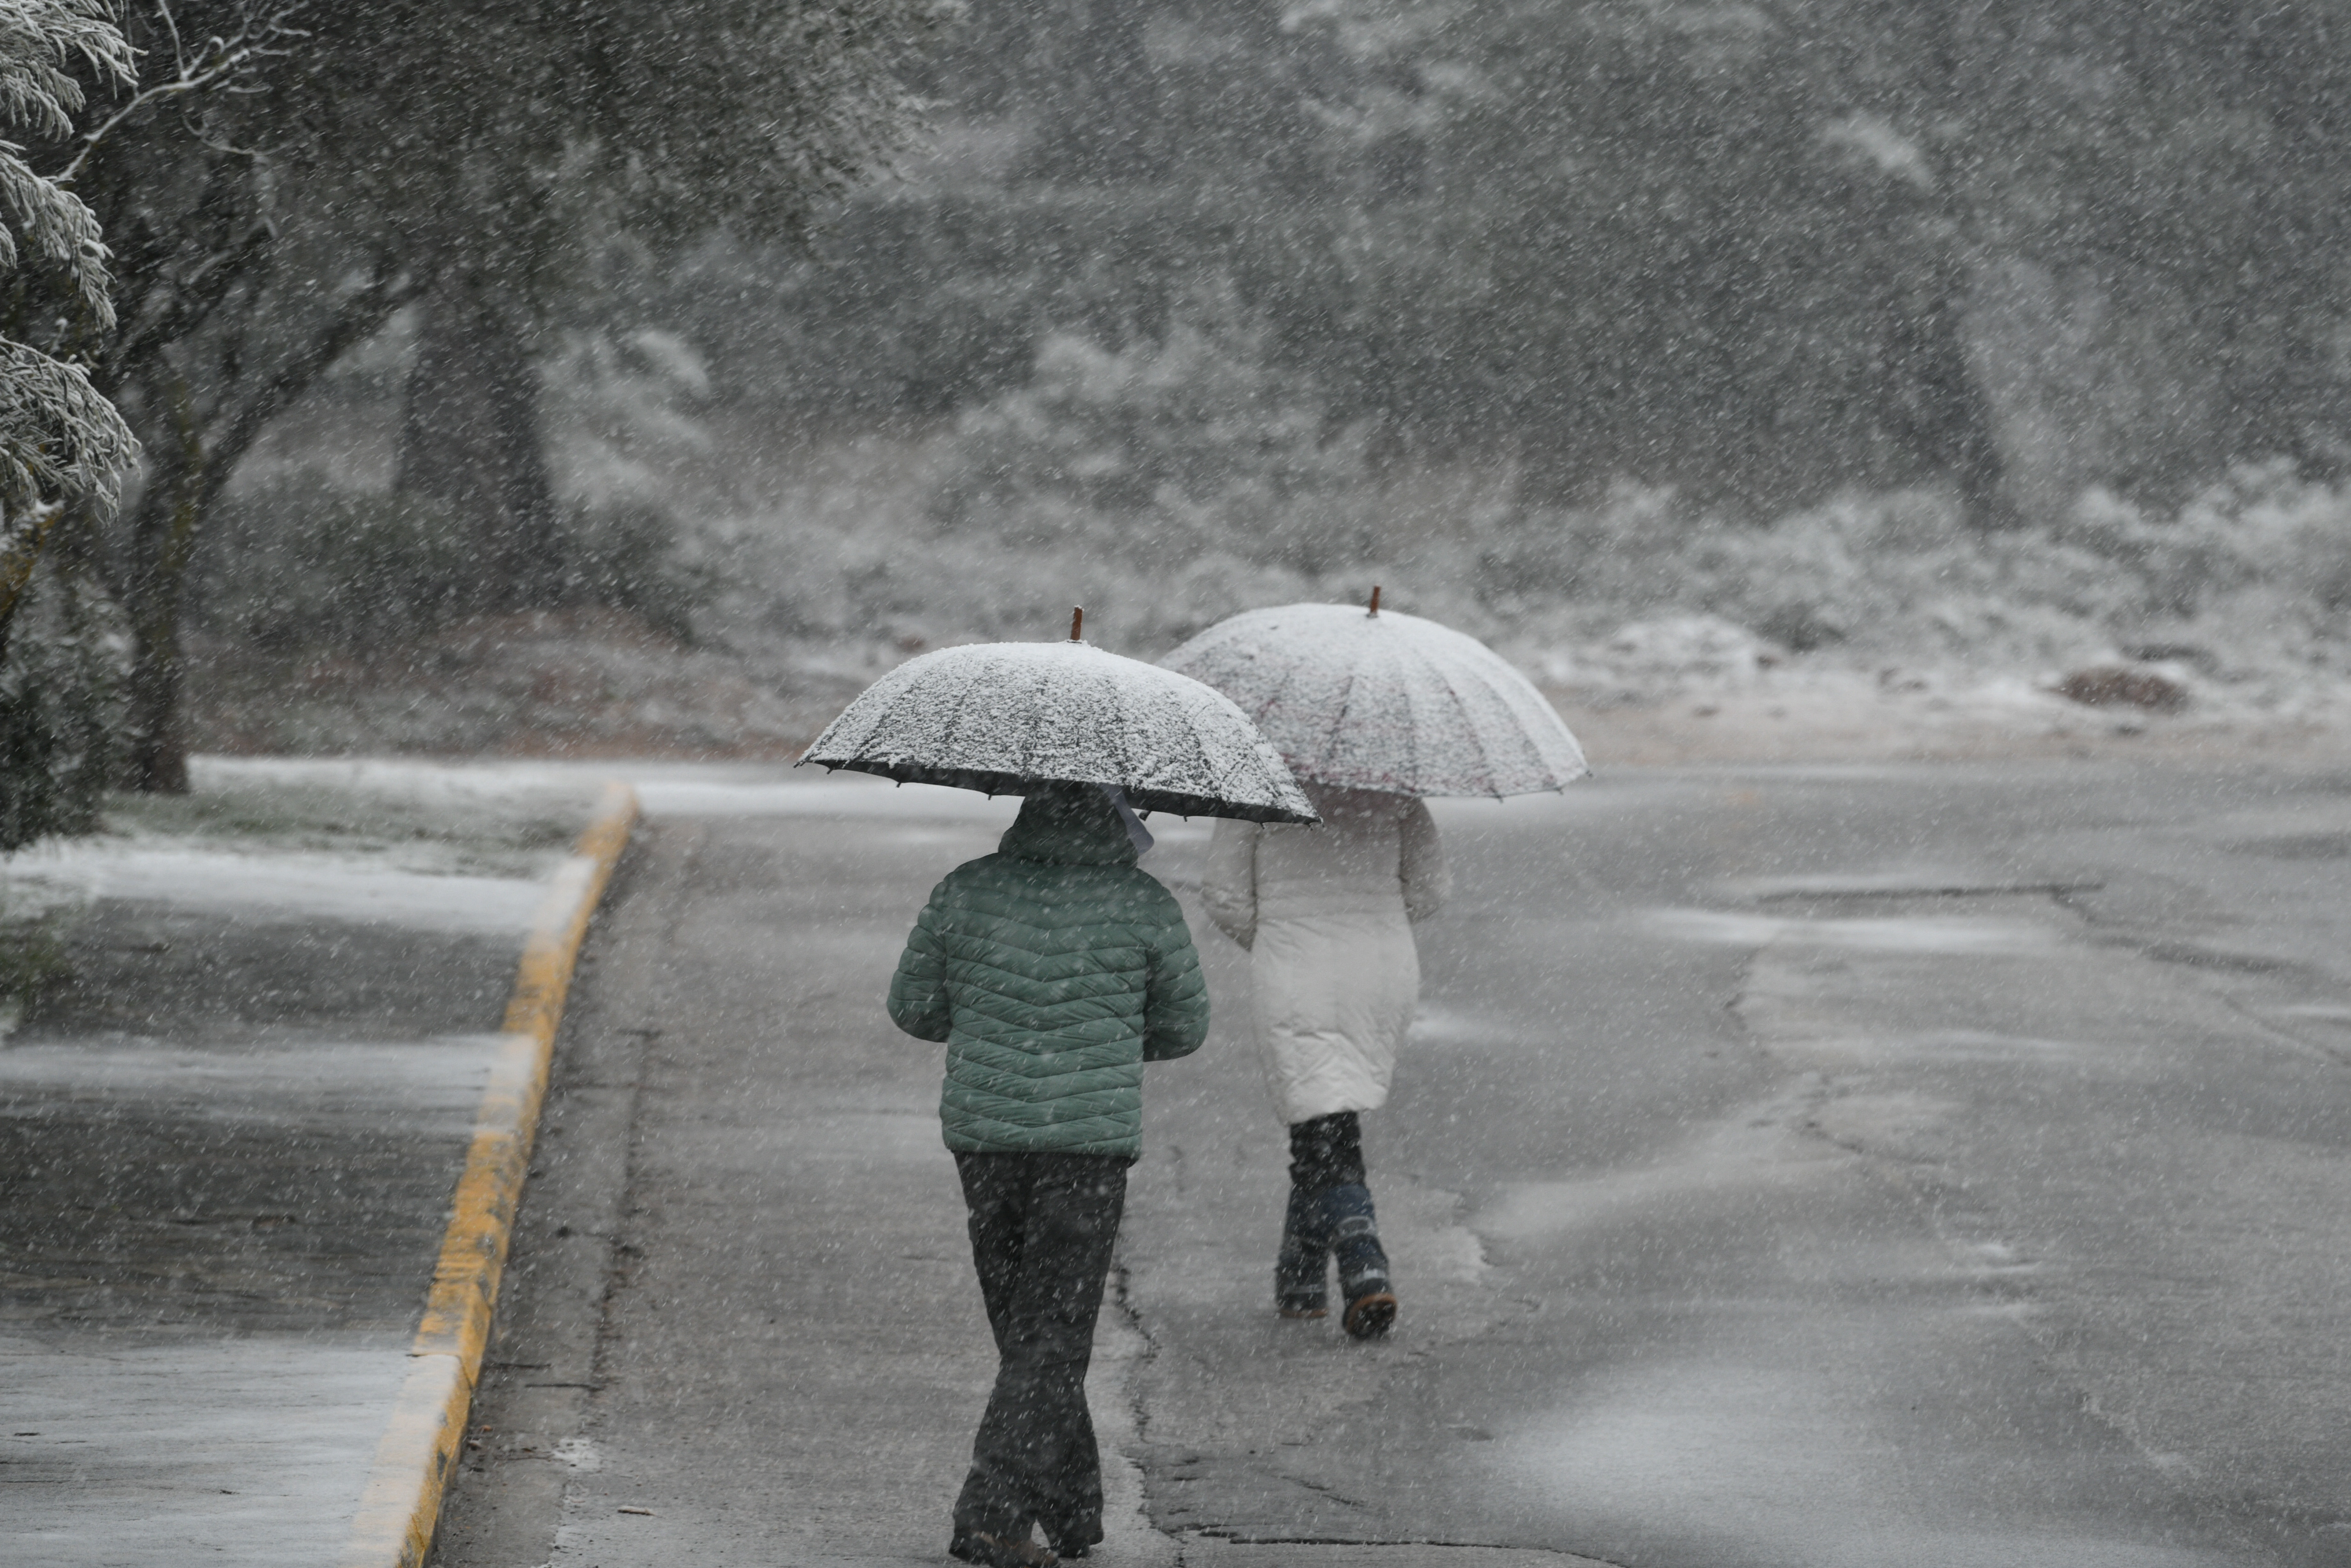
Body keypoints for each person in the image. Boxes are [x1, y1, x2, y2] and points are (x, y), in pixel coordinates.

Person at [889, 782, 1210, 1568]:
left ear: (1026, 802)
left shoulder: (965, 888)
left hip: (986, 1143)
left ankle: (1071, 1507)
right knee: (1051, 1337)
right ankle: (992, 1517)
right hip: (1086, 1150)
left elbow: (915, 1009)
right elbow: (1182, 1027)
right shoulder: (1142, 903)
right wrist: (1100, 1043)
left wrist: (994, 1022)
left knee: (1027, 1331)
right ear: (1117, 814)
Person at [1199, 780, 1448, 1338]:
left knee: (1322, 1113)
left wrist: (1280, 939)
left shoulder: (1253, 786)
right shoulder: (1391, 787)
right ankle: (1300, 1278)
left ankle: (1364, 1260)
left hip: (1295, 968)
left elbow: (1225, 897)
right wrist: (1373, 923)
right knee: (1326, 1112)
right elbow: (1431, 888)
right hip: (1380, 970)